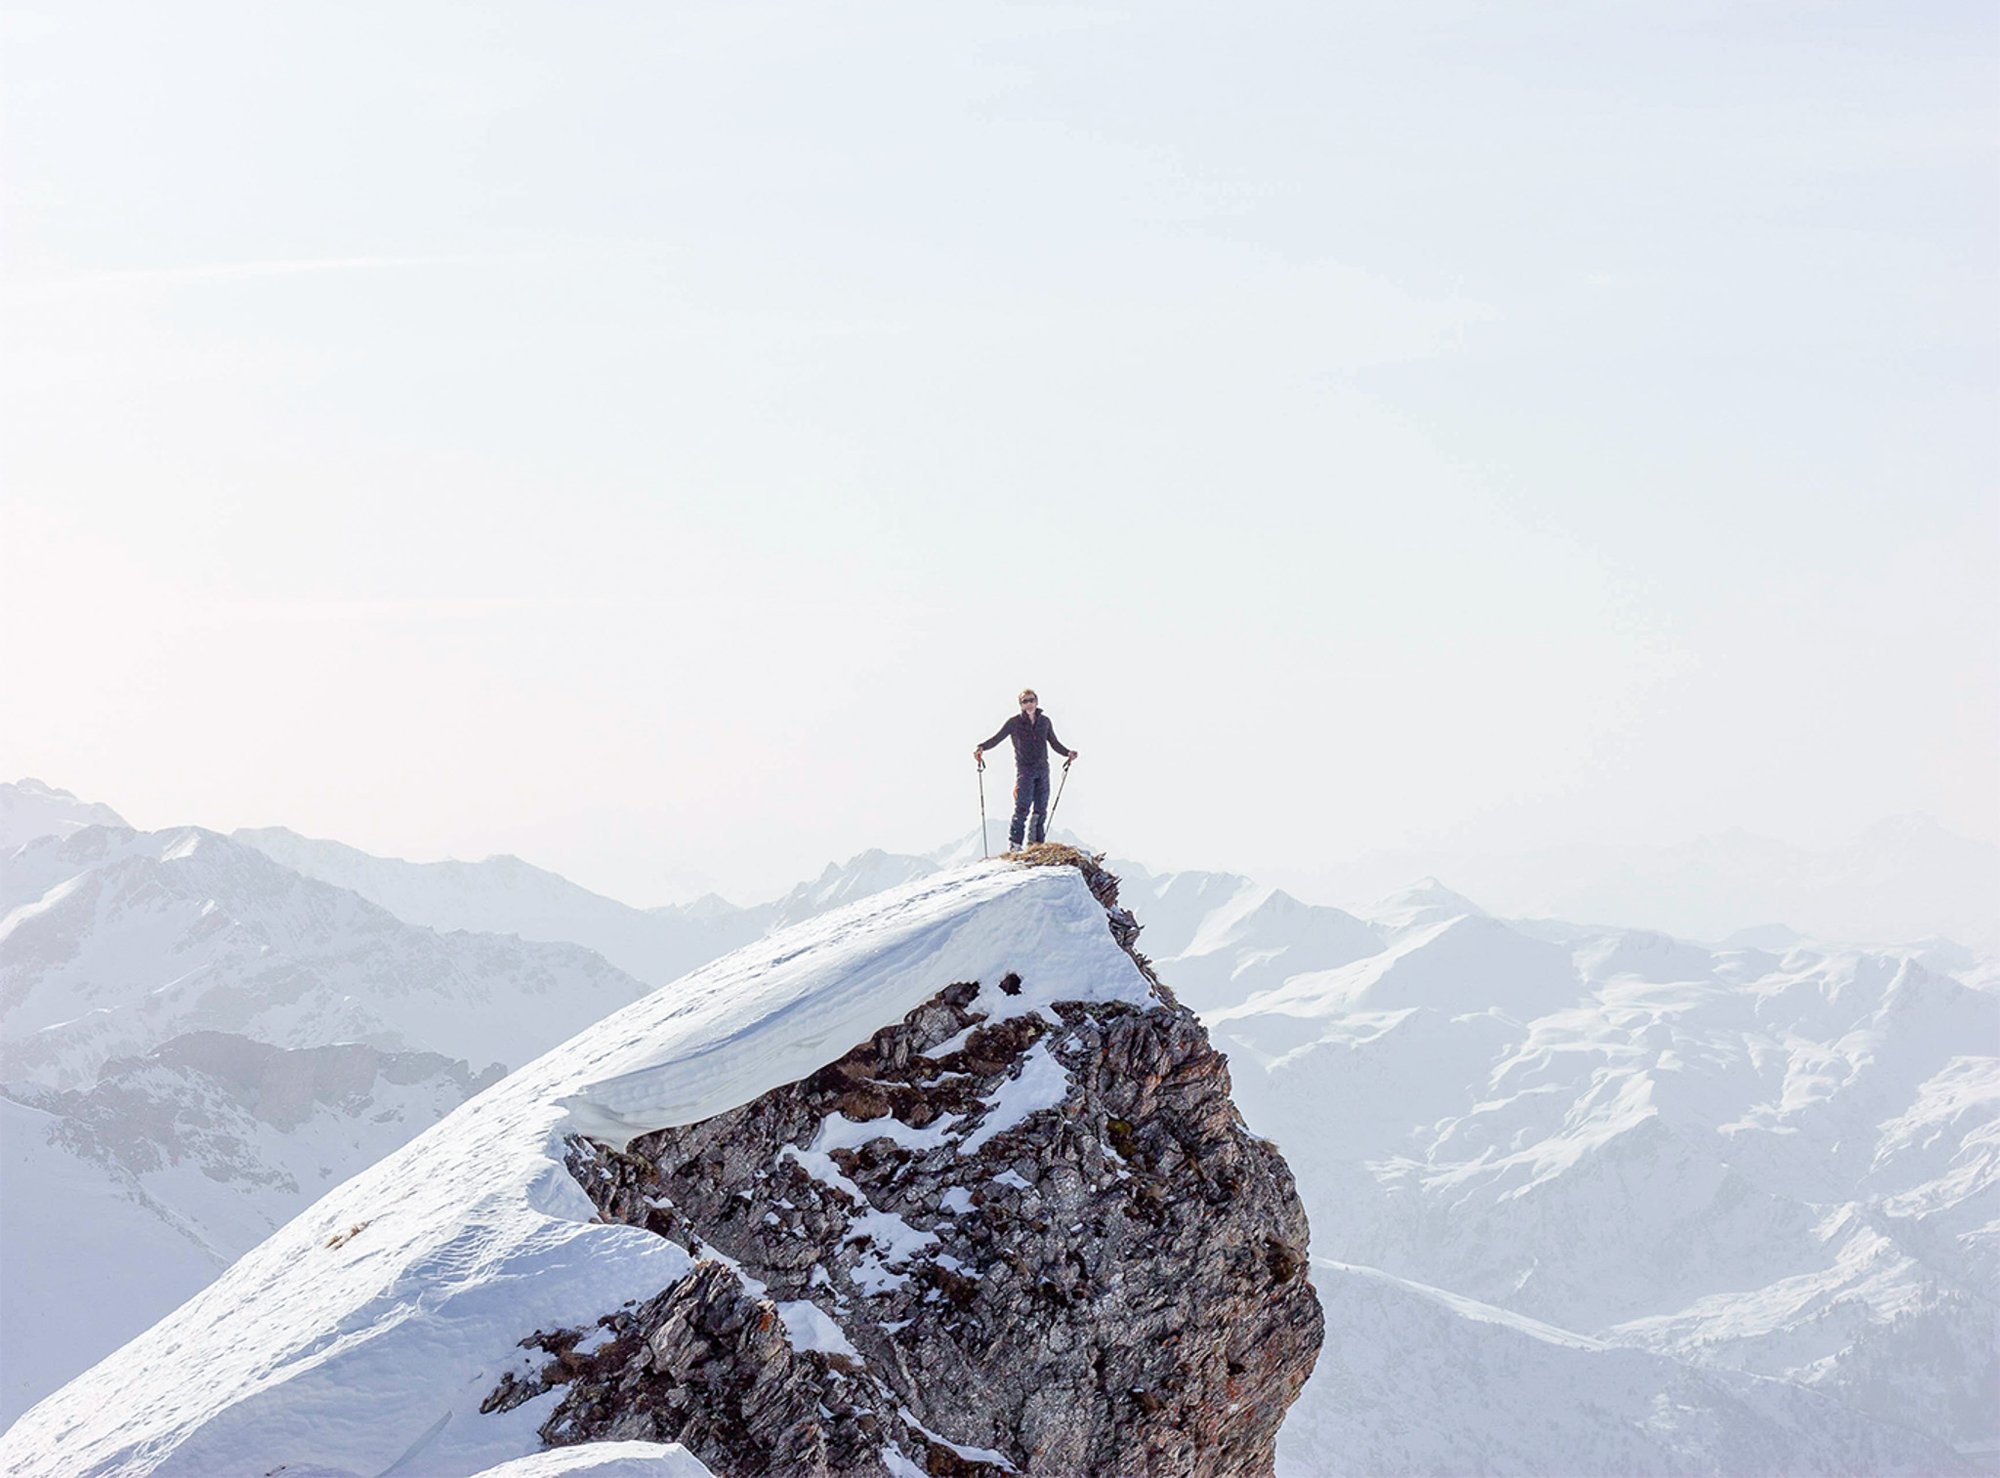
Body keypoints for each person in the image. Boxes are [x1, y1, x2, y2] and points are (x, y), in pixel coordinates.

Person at [973, 689, 1079, 850]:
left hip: (1043, 769)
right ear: (1020, 705)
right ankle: (1015, 845)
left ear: (1037, 702)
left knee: (1041, 808)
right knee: (1022, 807)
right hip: (1025, 770)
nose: (1028, 704)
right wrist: (982, 747)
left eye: (1031, 700)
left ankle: (1036, 844)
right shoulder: (1013, 723)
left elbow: (1054, 742)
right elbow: (997, 738)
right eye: (1025, 701)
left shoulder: (1045, 722)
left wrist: (1067, 753)